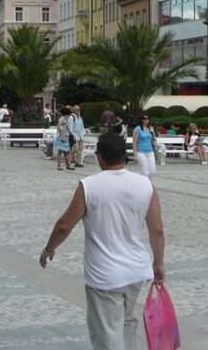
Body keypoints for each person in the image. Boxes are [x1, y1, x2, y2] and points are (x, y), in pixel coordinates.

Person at [39, 132, 165, 350]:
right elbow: (157, 230)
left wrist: (49, 249)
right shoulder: (145, 185)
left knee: (107, 333)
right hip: (136, 270)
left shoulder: (89, 185)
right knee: (126, 323)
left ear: (99, 157)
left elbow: (64, 225)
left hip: (104, 274)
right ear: (124, 156)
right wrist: (158, 263)